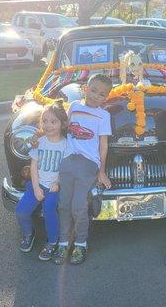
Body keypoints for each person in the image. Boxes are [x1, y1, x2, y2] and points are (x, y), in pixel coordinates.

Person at [53, 73, 113, 265]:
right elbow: (63, 129)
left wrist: (101, 171)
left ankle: (80, 243)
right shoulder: (74, 107)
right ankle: (63, 242)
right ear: (85, 88)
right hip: (67, 161)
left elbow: (103, 145)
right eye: (93, 90)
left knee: (79, 206)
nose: (96, 96)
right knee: (63, 204)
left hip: (88, 164)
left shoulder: (104, 115)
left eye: (102, 94)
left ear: (106, 98)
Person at [15, 101, 68, 261]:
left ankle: (52, 241)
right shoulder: (40, 142)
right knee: (21, 211)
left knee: (50, 210)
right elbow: (34, 166)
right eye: (44, 121)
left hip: (53, 187)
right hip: (37, 185)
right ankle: (28, 233)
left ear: (63, 124)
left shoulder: (66, 145)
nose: (48, 125)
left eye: (53, 122)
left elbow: (64, 168)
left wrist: (57, 183)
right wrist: (36, 188)